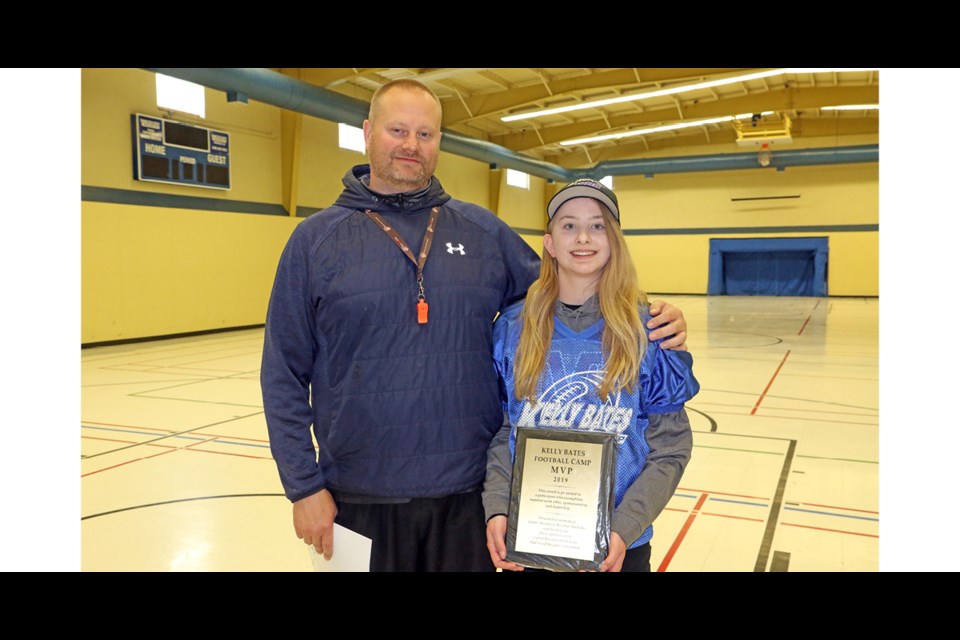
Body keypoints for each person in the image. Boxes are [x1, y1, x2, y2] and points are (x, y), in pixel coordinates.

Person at [260, 79, 689, 572]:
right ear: (367, 132)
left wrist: (650, 315)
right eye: (397, 130)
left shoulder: (482, 232)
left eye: (426, 133)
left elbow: (569, 284)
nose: (411, 145)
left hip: (469, 499)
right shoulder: (315, 241)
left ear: (439, 141)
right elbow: (283, 373)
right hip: (357, 495)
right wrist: (304, 486)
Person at [482, 178, 699, 572]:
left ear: (614, 240)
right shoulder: (512, 329)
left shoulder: (650, 331)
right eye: (569, 225)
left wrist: (624, 527)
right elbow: (500, 430)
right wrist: (497, 507)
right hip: (531, 539)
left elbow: (671, 448)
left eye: (598, 225)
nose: (583, 236)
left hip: (619, 549)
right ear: (549, 243)